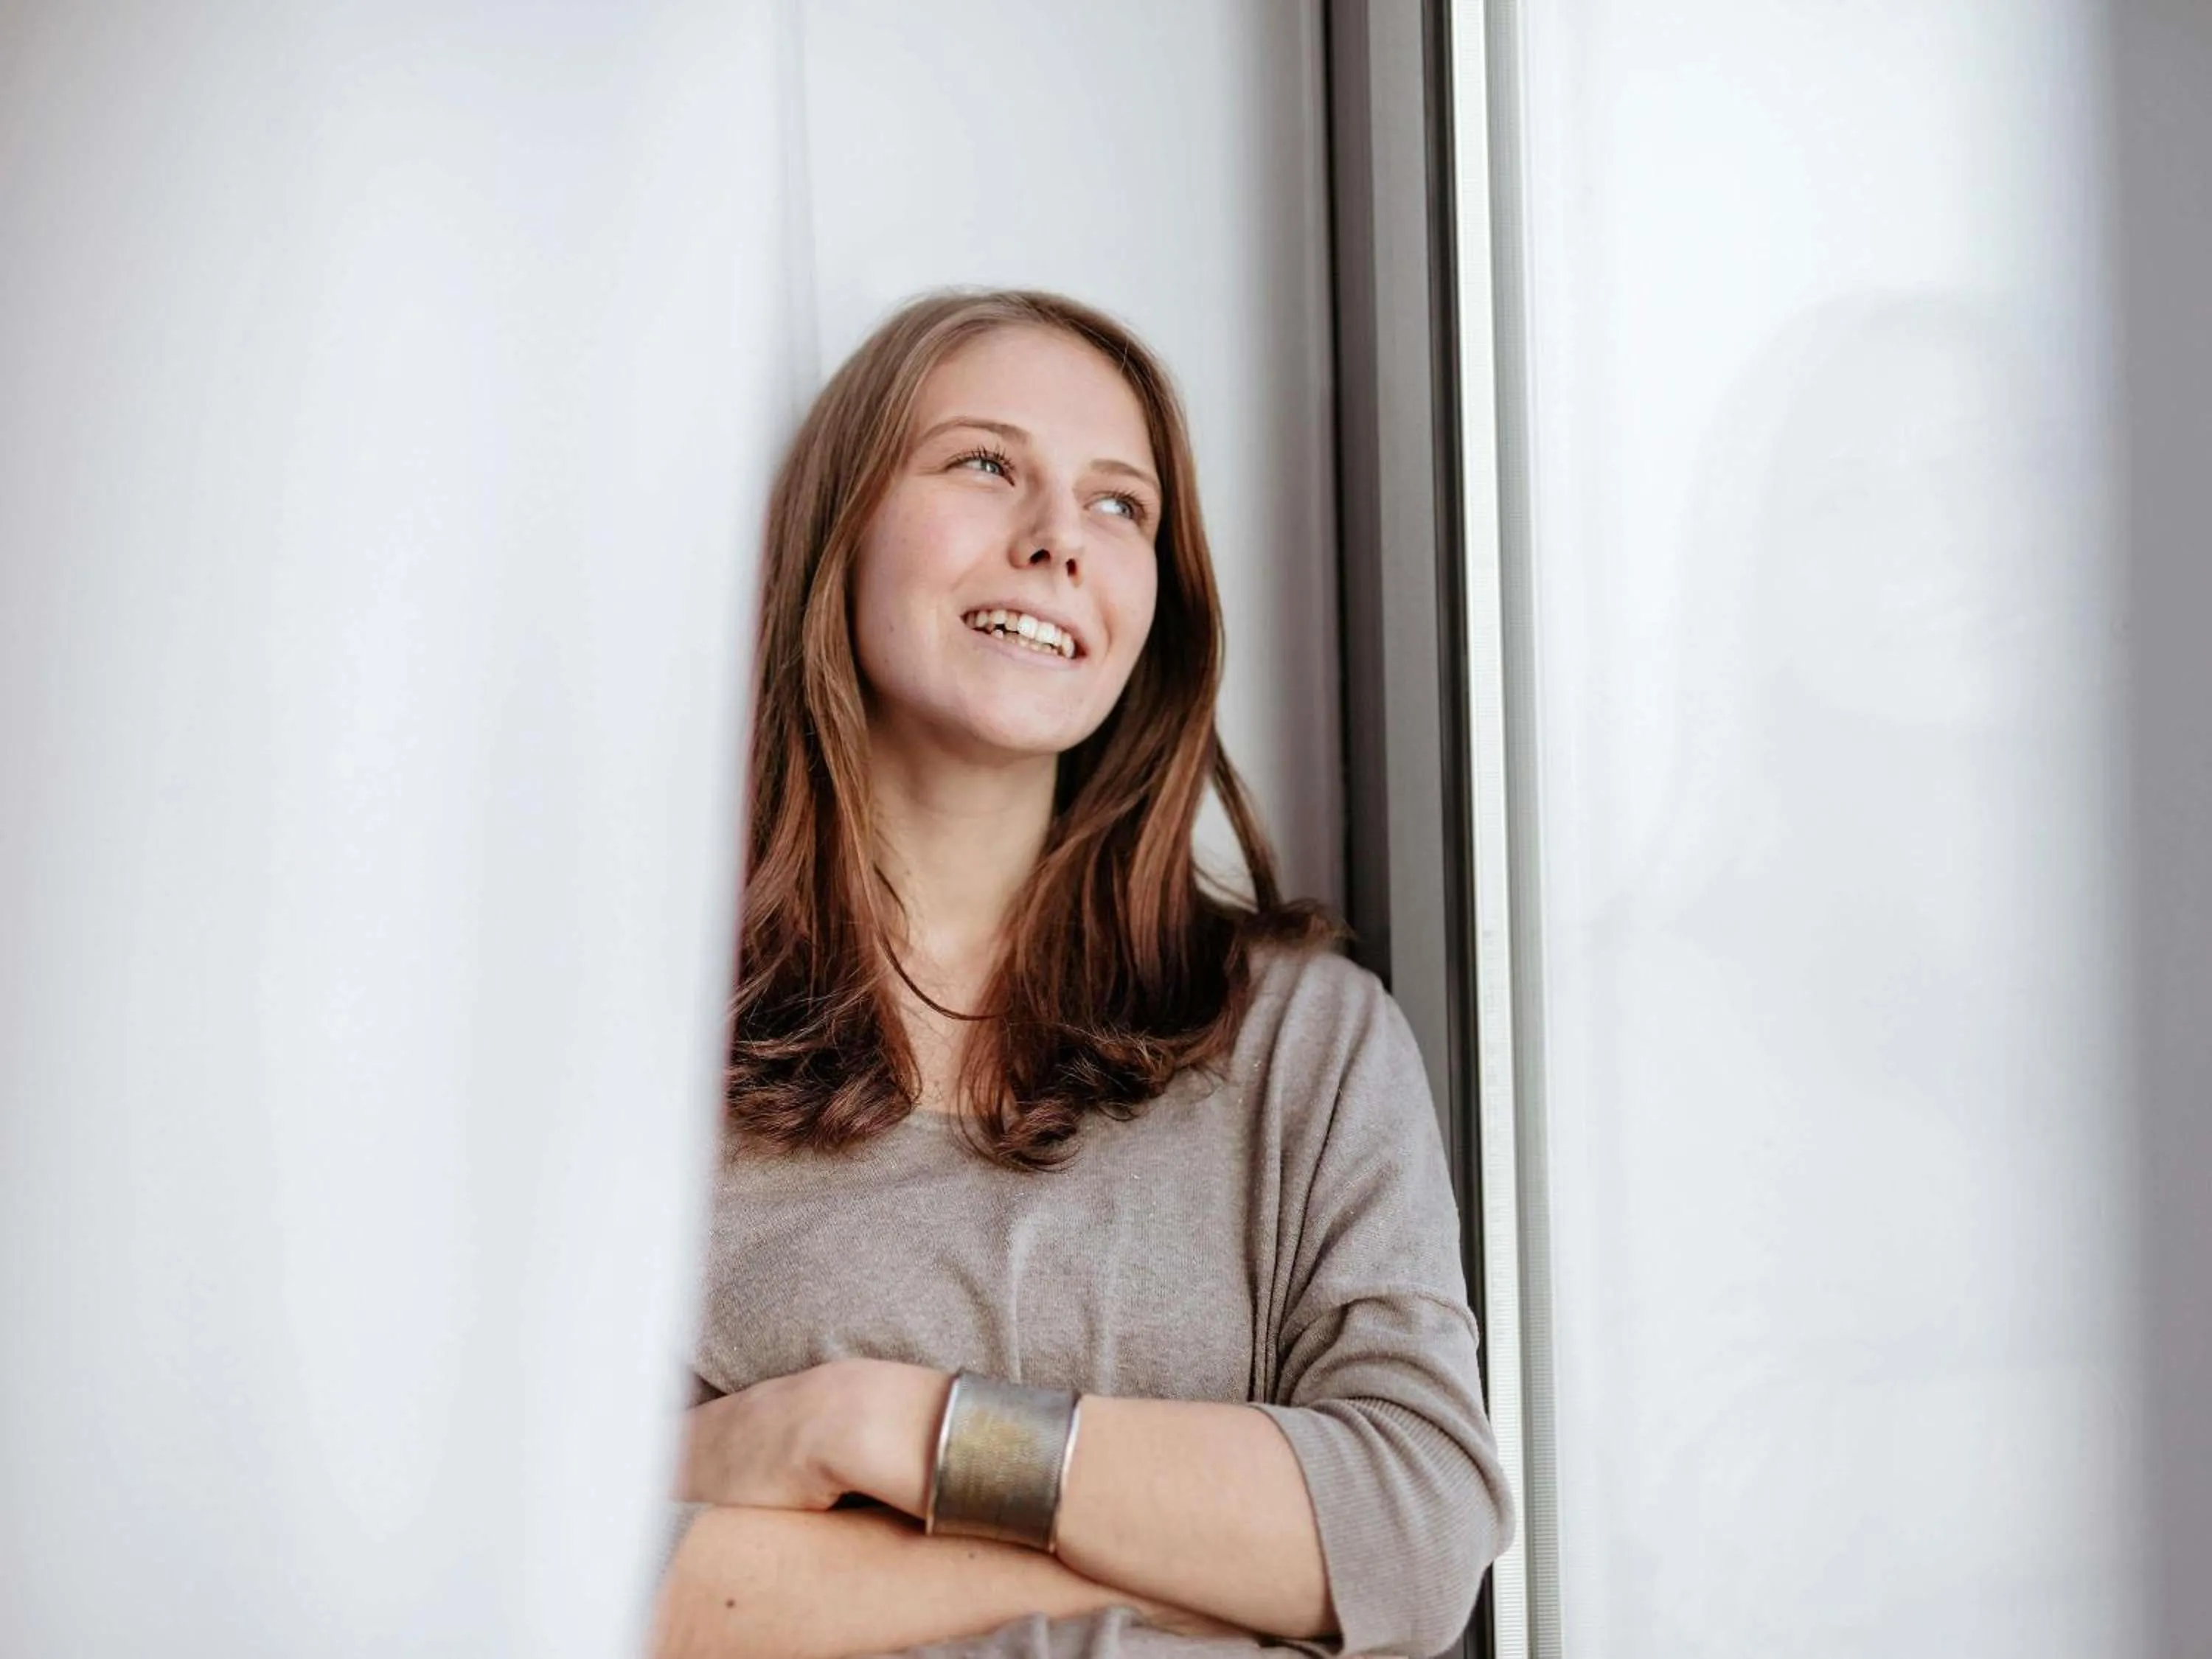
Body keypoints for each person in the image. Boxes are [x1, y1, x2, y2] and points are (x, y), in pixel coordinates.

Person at [650, 289, 1514, 1659]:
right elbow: (607, 1589)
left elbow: (1414, 1535)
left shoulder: (1301, 1040)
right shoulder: (643, 1050)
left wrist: (873, 1427)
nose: (1057, 540)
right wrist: (1229, 1560)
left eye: (1122, 506)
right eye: (985, 463)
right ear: (842, 530)